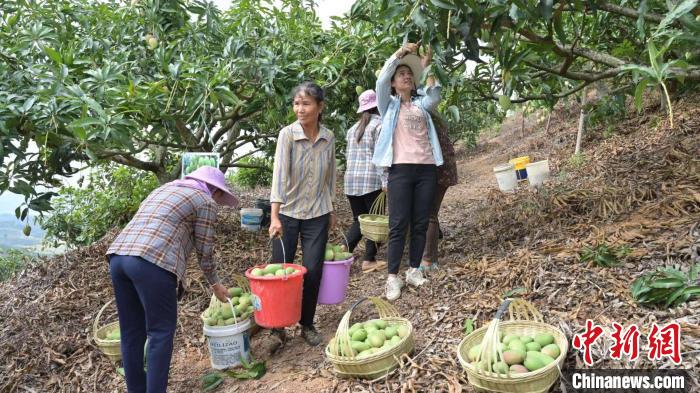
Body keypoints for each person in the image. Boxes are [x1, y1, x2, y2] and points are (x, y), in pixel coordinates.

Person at [106, 166, 238, 393]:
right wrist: (215, 284)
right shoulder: (204, 200)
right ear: (214, 190)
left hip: (118, 258)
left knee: (131, 332)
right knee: (160, 333)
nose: (217, 199)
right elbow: (205, 251)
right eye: (218, 195)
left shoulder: (163, 189)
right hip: (152, 262)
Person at [373, 42, 444, 301]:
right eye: (401, 74)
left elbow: (434, 95)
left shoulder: (421, 105)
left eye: (409, 74)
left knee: (421, 222)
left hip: (426, 169)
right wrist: (400, 54)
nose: (406, 76)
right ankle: (393, 277)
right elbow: (381, 80)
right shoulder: (388, 106)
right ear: (394, 83)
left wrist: (426, 68)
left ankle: (413, 270)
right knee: (398, 224)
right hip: (400, 170)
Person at [268, 81, 336, 346]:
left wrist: (330, 209)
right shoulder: (287, 134)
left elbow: (330, 176)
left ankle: (307, 324)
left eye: (306, 103)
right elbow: (279, 176)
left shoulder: (328, 137)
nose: (300, 108)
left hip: (317, 213)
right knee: (281, 272)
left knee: (313, 270)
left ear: (320, 107)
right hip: (287, 213)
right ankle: (277, 328)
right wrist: (274, 216)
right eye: (296, 103)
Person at [343, 89, 386, 273]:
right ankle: (369, 259)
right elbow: (382, 156)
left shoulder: (352, 129)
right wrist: (386, 180)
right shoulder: (380, 126)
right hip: (371, 180)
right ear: (378, 106)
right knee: (374, 221)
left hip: (351, 181)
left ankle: (344, 251)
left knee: (359, 220)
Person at [420, 110, 458, 272]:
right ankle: (429, 252)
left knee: (429, 213)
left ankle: (429, 260)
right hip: (441, 169)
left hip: (437, 170)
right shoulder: (433, 116)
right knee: (429, 211)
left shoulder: (424, 120)